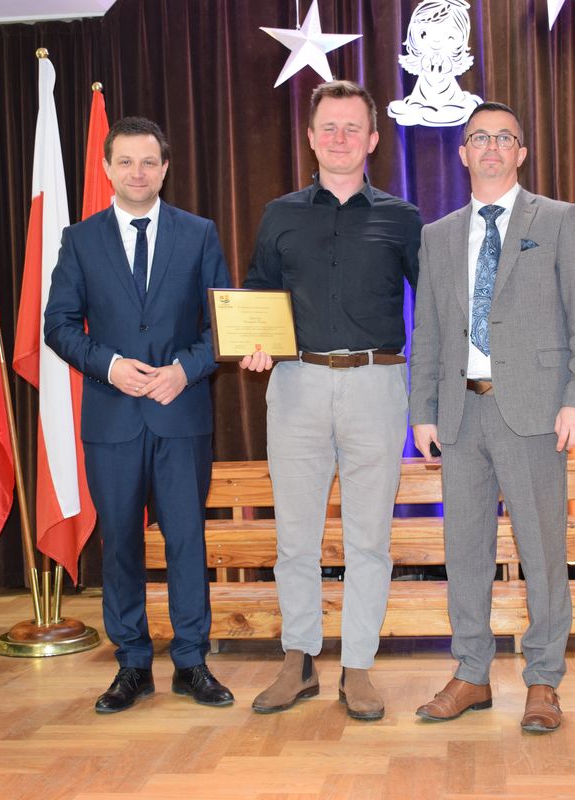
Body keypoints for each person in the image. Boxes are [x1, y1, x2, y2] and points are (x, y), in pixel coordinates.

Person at [408, 101, 575, 733]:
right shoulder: (438, 235)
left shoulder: (559, 219)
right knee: (464, 551)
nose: (491, 147)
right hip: (460, 413)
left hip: (536, 412)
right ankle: (471, 673)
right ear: (462, 153)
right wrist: (422, 410)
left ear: (521, 152)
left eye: (504, 138)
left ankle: (543, 680)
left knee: (542, 553)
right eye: (479, 138)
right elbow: (428, 329)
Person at [240, 80, 422, 720]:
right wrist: (256, 342)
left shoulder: (403, 218)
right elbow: (258, 293)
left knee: (369, 540)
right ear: (311, 138)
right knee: (295, 538)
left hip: (377, 385)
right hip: (297, 385)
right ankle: (298, 661)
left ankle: (359, 667)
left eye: (352, 128)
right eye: (329, 128)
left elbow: (434, 306)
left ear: (372, 139)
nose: (340, 138)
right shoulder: (279, 214)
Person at [45, 116, 234, 713]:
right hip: (113, 418)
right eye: (125, 161)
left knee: (186, 541)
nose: (137, 172)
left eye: (149, 161)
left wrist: (185, 370)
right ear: (107, 168)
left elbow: (222, 323)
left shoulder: (199, 233)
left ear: (165, 168)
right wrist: (108, 366)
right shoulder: (80, 240)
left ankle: (191, 661)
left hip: (181, 413)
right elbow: (58, 325)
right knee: (121, 544)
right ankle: (132, 664)